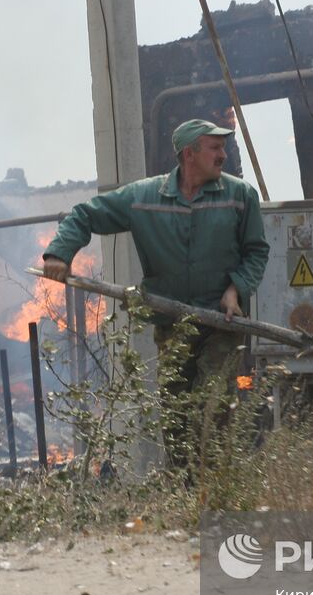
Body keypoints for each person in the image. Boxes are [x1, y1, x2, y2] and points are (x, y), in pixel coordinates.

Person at [41, 118, 270, 461]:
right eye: (215, 147)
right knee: (176, 416)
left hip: (221, 322)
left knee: (213, 406)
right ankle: (186, 493)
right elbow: (84, 216)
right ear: (189, 154)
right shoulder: (144, 197)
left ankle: (212, 489)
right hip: (171, 322)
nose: (223, 154)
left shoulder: (240, 196)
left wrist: (236, 288)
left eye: (223, 147)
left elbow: (256, 251)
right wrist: (60, 253)